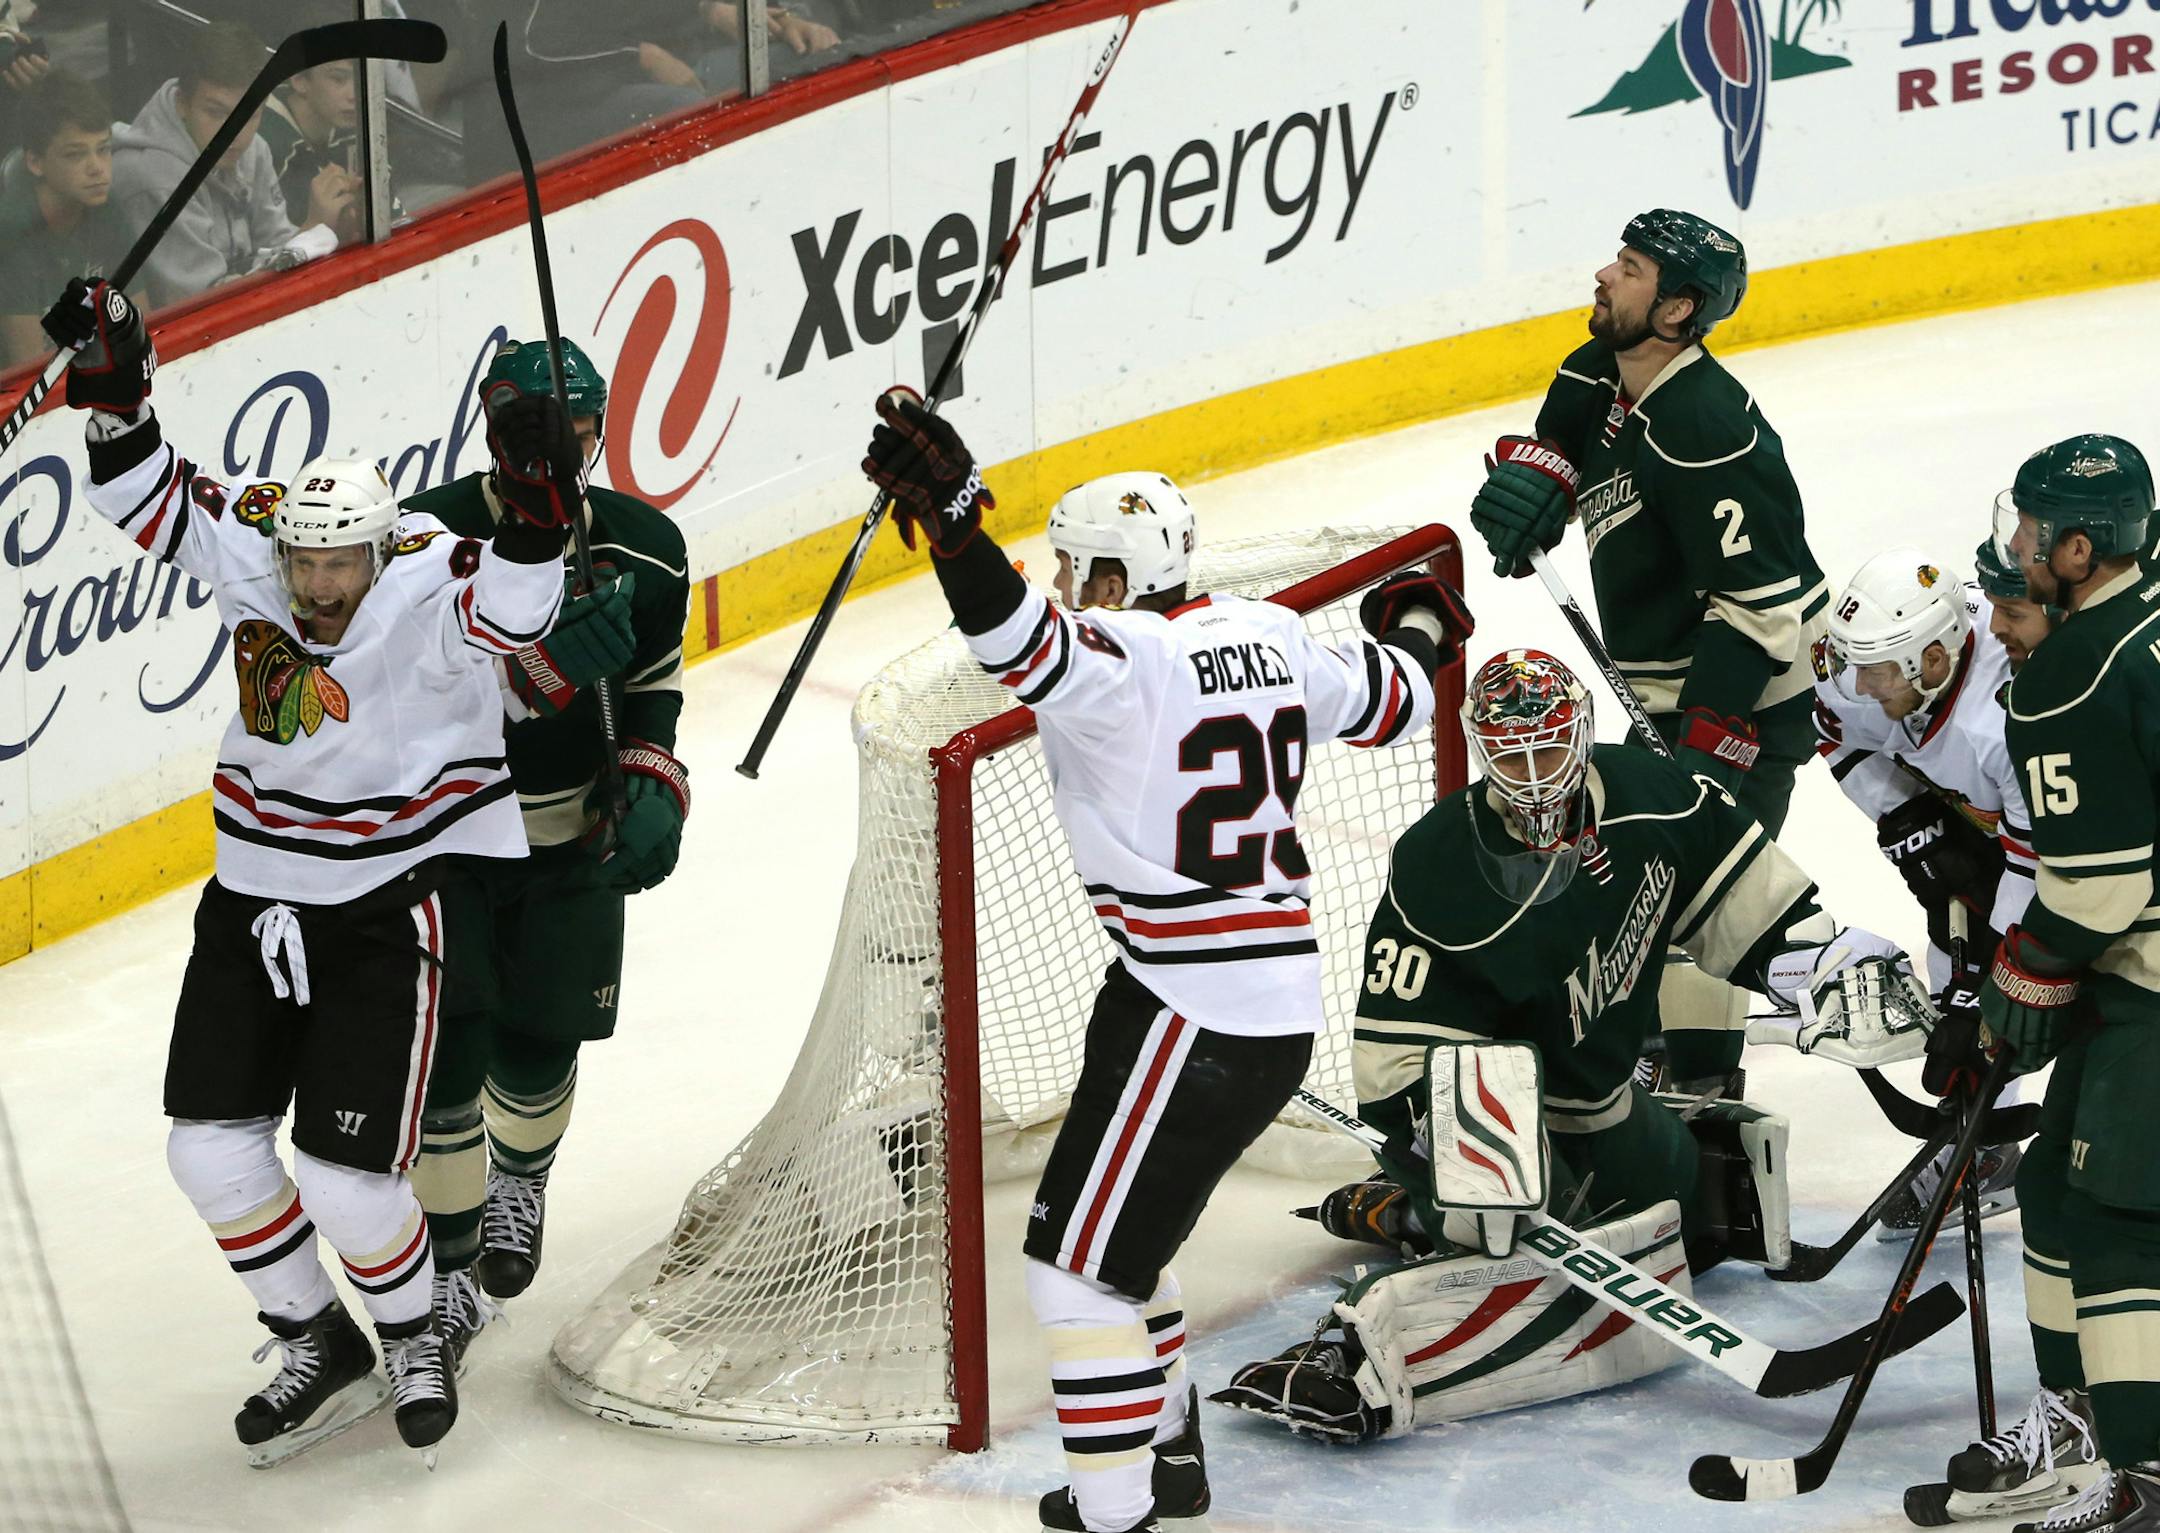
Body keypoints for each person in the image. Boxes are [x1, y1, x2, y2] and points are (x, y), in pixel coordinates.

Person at [860, 390, 1471, 1533]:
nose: (1059, 587)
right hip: (1221, 994)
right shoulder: (1271, 633)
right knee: (1123, 1240)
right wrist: (1427, 618)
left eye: (1072, 569)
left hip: (1198, 1010)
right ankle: (1167, 1457)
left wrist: (955, 526)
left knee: (1074, 1269)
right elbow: (1394, 693)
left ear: (1108, 581)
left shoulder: (1126, 657)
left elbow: (1016, 644)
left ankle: (1115, 1512)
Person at [40, 274, 579, 1467]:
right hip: (252, 900)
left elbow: (518, 616)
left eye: (341, 568)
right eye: (304, 568)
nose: (319, 589)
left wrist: (541, 509)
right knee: (207, 1150)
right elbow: (141, 489)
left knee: (343, 1179)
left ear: (380, 550)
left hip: (392, 912)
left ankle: (410, 1336)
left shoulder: (431, 575)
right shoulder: (268, 536)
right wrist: (118, 366)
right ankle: (315, 1335)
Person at [1213, 649, 1932, 1443]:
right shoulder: (1437, 863)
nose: (1531, 774)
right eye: (1509, 754)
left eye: (1549, 746)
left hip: (1596, 1105)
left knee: (1690, 1212)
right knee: (1498, 1225)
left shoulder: (1649, 795)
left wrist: (1824, 964)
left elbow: (1748, 905)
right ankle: (1378, 1306)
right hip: (1487, 1116)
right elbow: (1392, 1060)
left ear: (1583, 734)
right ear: (1480, 749)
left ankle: (1408, 1215)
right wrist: (1458, 1157)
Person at [1468, 208, 1830, 1092]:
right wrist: (1534, 492)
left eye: (1628, 269)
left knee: (1701, 886)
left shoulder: (1711, 429)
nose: (1604, 274)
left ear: (1675, 310)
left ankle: (1705, 1088)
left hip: (1753, 692)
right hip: (1662, 684)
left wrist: (1711, 741)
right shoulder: (1595, 369)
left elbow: (1756, 612)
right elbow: (1558, 446)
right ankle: (1659, 1054)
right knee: (1641, 881)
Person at [399, 338, 690, 1359]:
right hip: (446, 849)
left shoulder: (645, 546)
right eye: (537, 428)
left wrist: (655, 779)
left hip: (570, 841)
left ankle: (521, 1182)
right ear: (494, 426)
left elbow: (653, 681)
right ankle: (443, 1273)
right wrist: (540, 671)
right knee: (443, 1070)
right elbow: (401, 705)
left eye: (575, 425)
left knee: (535, 1049)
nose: (562, 446)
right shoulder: (427, 538)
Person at [1927, 435, 2160, 1532]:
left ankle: (2147, 1482)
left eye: (2029, 533)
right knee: (2058, 1198)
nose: (2013, 550)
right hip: (2135, 986)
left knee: (2119, 1226)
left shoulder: (2073, 673)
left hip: (2151, 990)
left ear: (2077, 550)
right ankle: (2075, 1414)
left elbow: (2101, 900)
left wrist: (2021, 969)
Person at [1809, 547, 2035, 1235]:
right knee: (1954, 942)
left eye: (1877, 670)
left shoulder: (2004, 724)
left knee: (2064, 983)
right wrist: (1905, 814)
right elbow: (1840, 738)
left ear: (1933, 660)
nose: (1860, 682)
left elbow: (2042, 878)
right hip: (2007, 823)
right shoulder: (1874, 668)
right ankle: (1987, 1145)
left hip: (2095, 832)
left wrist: (1982, 997)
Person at [111, 20, 354, 308]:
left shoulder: (253, 149)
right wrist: (313, 231)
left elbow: (277, 244)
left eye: (250, 114)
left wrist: (335, 231)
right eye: (216, 113)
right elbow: (206, 303)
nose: (235, 133)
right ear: (182, 104)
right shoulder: (153, 179)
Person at [0, 70, 128, 366]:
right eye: (75, 154)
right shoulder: (11, 236)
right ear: (35, 162)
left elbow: (138, 328)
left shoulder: (110, 210)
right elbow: (32, 373)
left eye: (104, 150)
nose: (97, 168)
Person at [258, 61, 366, 246]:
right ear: (299, 80)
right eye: (339, 79)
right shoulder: (264, 140)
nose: (355, 94)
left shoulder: (353, 122)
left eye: (361, 79)